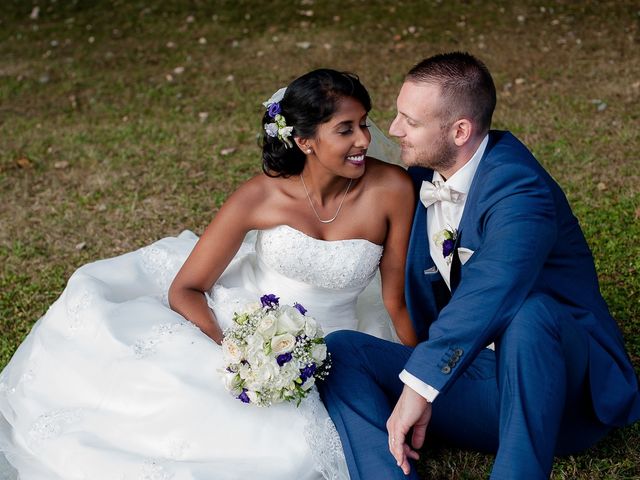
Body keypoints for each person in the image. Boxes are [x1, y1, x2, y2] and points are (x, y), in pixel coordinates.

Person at [0, 69, 417, 479]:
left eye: (364, 123)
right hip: (248, 325)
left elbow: (394, 300)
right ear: (305, 140)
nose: (364, 139)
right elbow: (186, 288)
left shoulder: (392, 189)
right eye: (346, 129)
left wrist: (427, 372)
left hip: (344, 344)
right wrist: (239, 352)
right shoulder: (261, 195)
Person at [318, 52, 640, 479]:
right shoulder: (418, 182)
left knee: (530, 312)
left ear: (460, 131)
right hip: (478, 386)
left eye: (409, 122)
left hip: (560, 399)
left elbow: (493, 285)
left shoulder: (520, 190)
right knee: (341, 350)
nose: (393, 131)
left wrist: (418, 385)